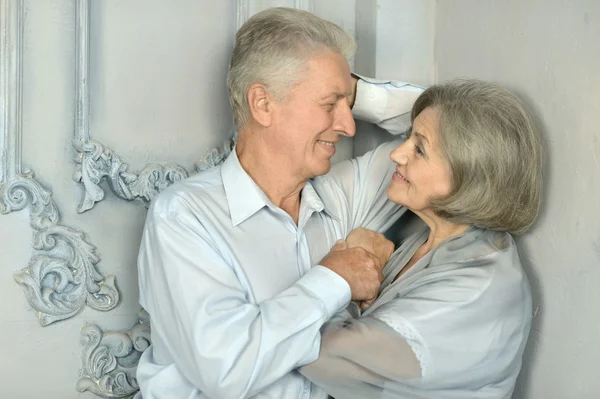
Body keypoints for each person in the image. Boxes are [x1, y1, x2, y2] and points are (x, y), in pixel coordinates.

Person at [135, 7, 423, 399]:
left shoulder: (348, 196)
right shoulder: (184, 217)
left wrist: (356, 91)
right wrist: (336, 277)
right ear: (263, 104)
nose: (349, 125)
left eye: (348, 104)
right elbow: (227, 371)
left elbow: (457, 128)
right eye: (329, 103)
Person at [299, 79, 543, 399]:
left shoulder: (478, 289)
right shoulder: (431, 240)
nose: (397, 154)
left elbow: (318, 356)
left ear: (468, 175)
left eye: (419, 148)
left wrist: (346, 271)